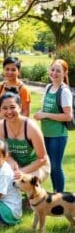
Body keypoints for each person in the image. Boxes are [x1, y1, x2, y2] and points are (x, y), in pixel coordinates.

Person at [34, 59, 72, 192]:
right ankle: (56, 193)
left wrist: (45, 115)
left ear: (64, 73)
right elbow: (46, 109)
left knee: (56, 166)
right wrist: (40, 114)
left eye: (58, 71)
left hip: (58, 135)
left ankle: (60, 197)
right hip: (46, 133)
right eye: (52, 69)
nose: (54, 73)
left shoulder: (64, 91)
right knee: (49, 165)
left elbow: (68, 116)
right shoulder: (48, 87)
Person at [0, 92, 50, 182]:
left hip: (37, 165)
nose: (9, 112)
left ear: (20, 107)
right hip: (16, 165)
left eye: (12, 107)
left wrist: (22, 171)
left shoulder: (31, 127)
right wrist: (10, 160)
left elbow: (42, 159)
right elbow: (4, 153)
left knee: (22, 181)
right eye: (4, 108)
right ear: (0, 110)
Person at [0, 56, 31, 122]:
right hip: (2, 123)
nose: (10, 72)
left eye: (13, 70)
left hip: (16, 124)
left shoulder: (23, 89)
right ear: (3, 70)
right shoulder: (1, 86)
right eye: (7, 69)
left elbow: (26, 112)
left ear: (19, 71)